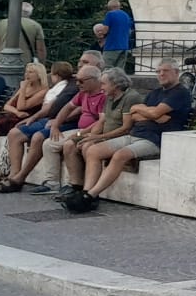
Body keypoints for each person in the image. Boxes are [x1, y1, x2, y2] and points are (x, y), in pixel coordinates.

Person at [77, 61, 191, 204]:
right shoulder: (155, 93)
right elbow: (135, 114)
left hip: (156, 139)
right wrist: (149, 113)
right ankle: (86, 191)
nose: (161, 74)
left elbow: (155, 114)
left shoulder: (180, 93)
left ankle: (91, 195)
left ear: (176, 72)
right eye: (158, 71)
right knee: (93, 151)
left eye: (165, 70)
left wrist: (147, 111)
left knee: (120, 155)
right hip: (136, 134)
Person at [47, 70, 138, 199]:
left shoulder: (130, 97)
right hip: (100, 133)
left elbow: (126, 128)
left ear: (115, 85)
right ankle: (76, 186)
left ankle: (89, 192)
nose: (102, 87)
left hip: (117, 136)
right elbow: (102, 122)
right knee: (72, 144)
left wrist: (96, 137)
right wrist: (82, 135)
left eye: (104, 84)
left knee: (88, 147)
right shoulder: (110, 97)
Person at [0, 63, 83, 192]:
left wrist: (58, 121)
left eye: (85, 63)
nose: (80, 65)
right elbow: (52, 105)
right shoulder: (72, 84)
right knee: (14, 133)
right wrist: (33, 118)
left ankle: (20, 178)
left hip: (68, 122)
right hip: (51, 118)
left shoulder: (81, 86)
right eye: (80, 62)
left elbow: (79, 109)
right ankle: (13, 174)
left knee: (38, 137)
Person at [101, 0, 134, 69]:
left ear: (109, 7)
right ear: (119, 6)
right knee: (119, 70)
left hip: (112, 46)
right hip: (124, 46)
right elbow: (129, 31)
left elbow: (105, 30)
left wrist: (101, 32)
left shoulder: (110, 14)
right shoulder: (126, 15)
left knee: (106, 68)